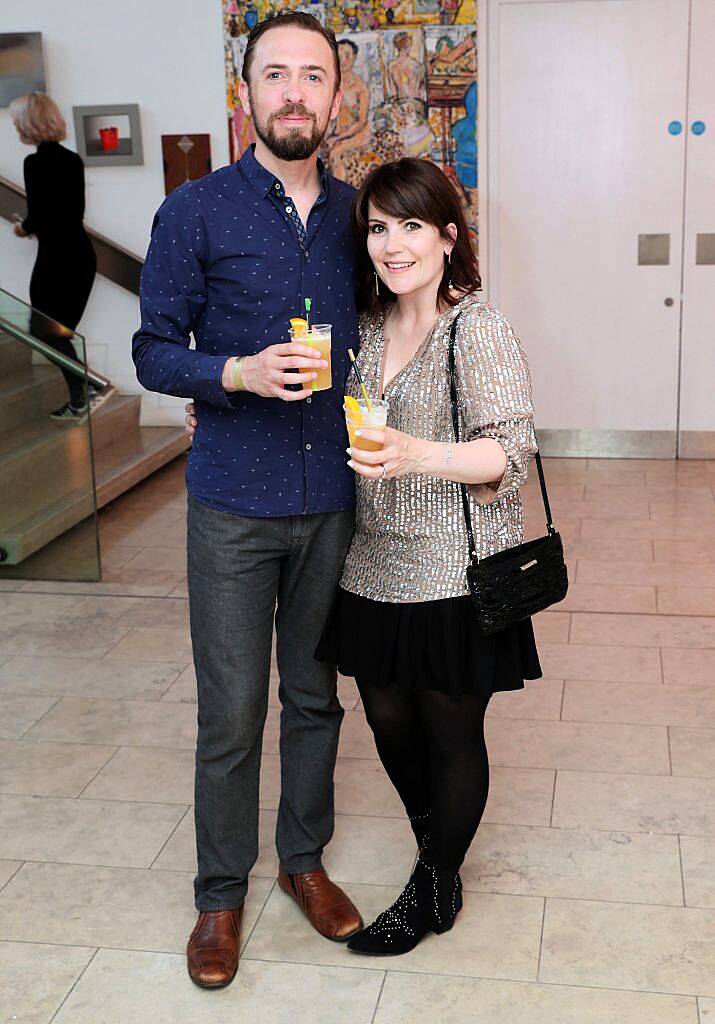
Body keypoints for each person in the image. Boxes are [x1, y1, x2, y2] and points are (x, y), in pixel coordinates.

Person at [132, 12, 364, 991]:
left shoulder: (360, 214)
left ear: (336, 97)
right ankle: (218, 895)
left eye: (313, 76)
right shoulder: (193, 212)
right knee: (231, 714)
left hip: (333, 497)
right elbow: (151, 351)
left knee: (314, 698)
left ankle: (302, 862)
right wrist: (229, 369)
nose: (295, 93)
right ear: (246, 94)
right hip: (232, 500)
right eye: (276, 75)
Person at [315, 157, 542, 955]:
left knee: (450, 733)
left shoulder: (473, 327)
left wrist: (416, 454)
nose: (391, 244)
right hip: (373, 561)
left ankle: (432, 879)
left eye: (410, 225)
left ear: (448, 236)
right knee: (386, 721)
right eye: (377, 227)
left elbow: (506, 456)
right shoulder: (369, 326)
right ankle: (434, 853)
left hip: (451, 568)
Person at [10, 92, 105, 421]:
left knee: (45, 331)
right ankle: (84, 393)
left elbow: (42, 216)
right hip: (80, 255)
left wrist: (23, 228)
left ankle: (85, 391)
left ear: (28, 123)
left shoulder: (35, 163)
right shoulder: (72, 159)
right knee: (57, 331)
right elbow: (70, 212)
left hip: (57, 259)